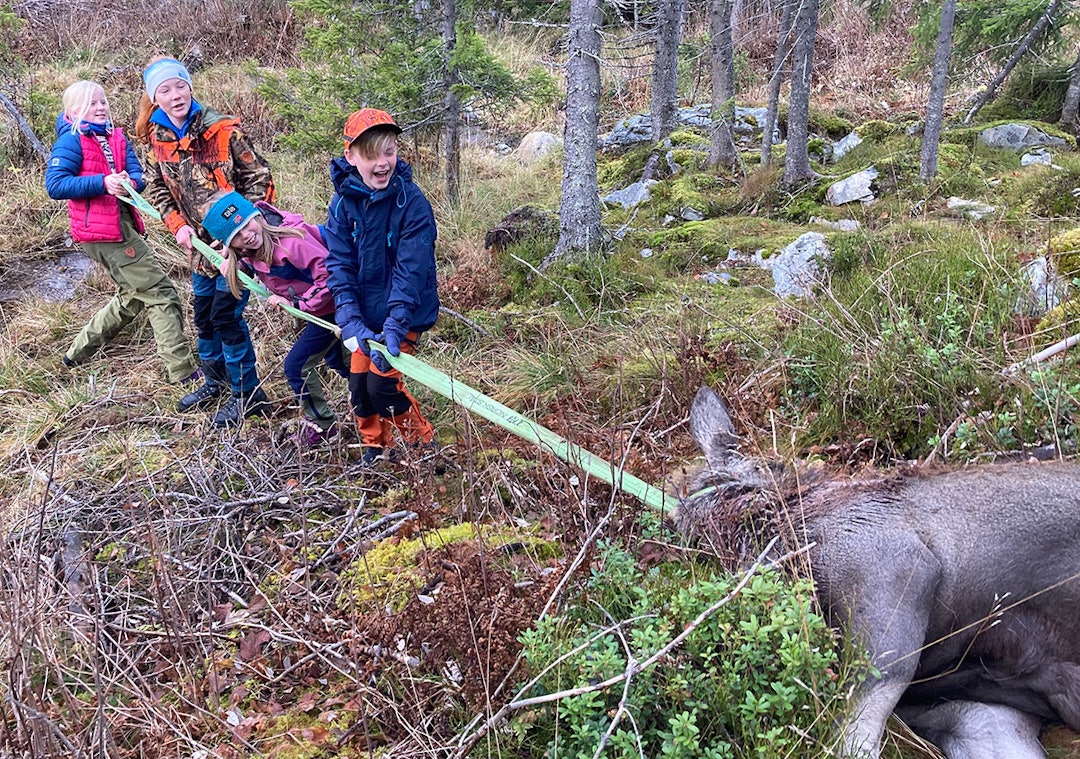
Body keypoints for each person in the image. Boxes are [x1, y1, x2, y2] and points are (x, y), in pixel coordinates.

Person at [135, 56, 275, 428]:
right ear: (154, 98)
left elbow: (260, 180)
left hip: (235, 249)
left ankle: (248, 395)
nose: (175, 94)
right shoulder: (156, 137)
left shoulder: (222, 130)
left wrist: (243, 235)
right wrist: (177, 225)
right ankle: (215, 383)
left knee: (226, 317)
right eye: (164, 90)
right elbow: (158, 189)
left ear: (190, 88)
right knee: (203, 316)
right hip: (199, 251)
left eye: (180, 85)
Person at [45, 80, 199, 385]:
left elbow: (138, 175)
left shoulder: (115, 136)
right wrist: (103, 183)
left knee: (132, 295)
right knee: (160, 292)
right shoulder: (71, 141)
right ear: (74, 110)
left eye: (103, 102)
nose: (100, 108)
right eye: (92, 104)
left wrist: (131, 180)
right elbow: (56, 185)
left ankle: (75, 354)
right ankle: (182, 372)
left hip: (122, 224)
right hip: (103, 234)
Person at [324, 108, 439, 464]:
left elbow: (412, 271)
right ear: (351, 156)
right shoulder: (342, 203)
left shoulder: (413, 203)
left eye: (388, 152)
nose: (382, 163)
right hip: (363, 318)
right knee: (359, 386)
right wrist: (348, 316)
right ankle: (375, 446)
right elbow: (339, 264)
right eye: (371, 155)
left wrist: (395, 324)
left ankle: (422, 445)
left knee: (383, 385)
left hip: (403, 316)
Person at [201, 189, 348, 446]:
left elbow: (331, 277)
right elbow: (255, 262)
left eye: (247, 225)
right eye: (237, 236)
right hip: (320, 311)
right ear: (229, 244)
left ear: (256, 216)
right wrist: (238, 267)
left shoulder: (292, 241)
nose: (247, 234)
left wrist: (295, 303)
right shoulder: (251, 248)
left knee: (296, 368)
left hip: (337, 308)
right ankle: (374, 402)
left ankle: (325, 426)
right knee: (343, 362)